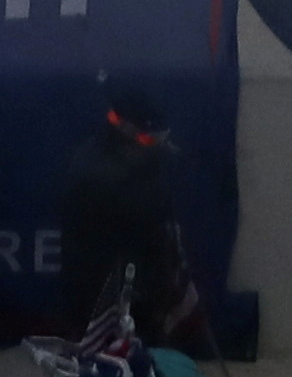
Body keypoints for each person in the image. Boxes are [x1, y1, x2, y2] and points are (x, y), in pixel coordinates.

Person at [55, 89, 198, 345]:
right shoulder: (94, 173)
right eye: (148, 141)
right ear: (125, 132)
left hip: (144, 295)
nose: (156, 148)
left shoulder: (149, 166)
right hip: (105, 296)